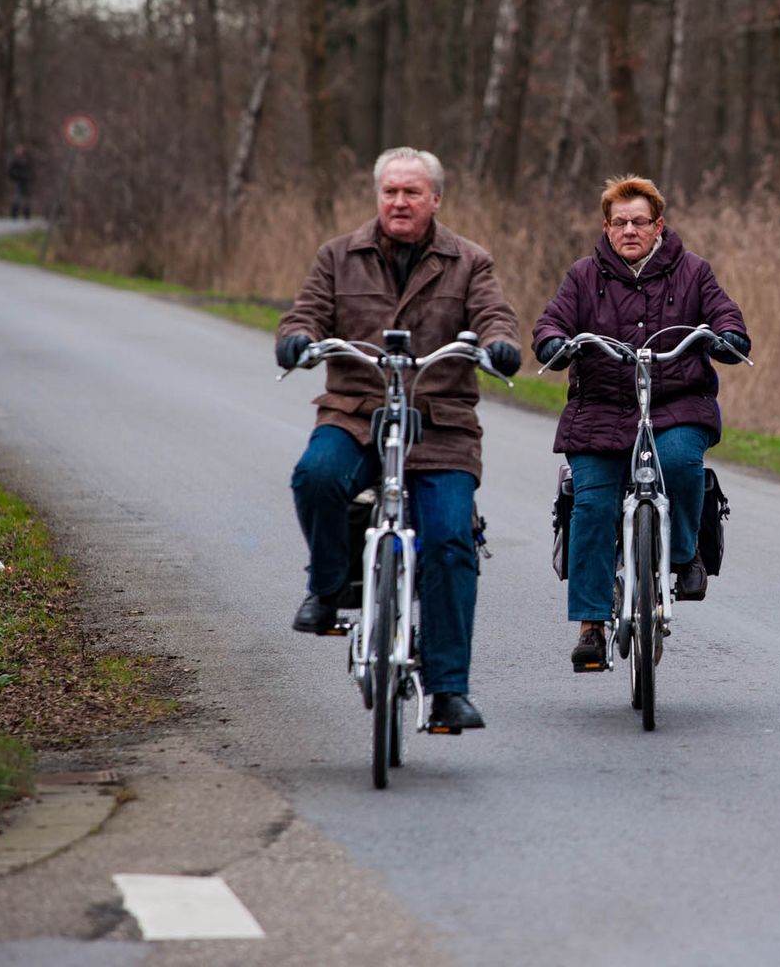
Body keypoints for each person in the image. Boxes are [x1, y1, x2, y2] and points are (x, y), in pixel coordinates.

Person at [275, 147, 521, 732]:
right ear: (377, 196)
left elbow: (496, 317)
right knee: (316, 477)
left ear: (435, 199)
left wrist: (499, 345)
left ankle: (447, 691)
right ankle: (328, 588)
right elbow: (304, 313)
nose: (399, 202)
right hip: (357, 413)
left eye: (412, 192)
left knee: (450, 542)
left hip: (441, 426)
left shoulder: (470, 261)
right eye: (390, 191)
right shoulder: (339, 255)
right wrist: (297, 338)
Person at [532, 175, 750, 670]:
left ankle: (683, 556)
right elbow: (552, 321)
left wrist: (729, 337)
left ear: (659, 226)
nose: (630, 230)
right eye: (620, 222)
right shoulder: (584, 276)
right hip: (601, 411)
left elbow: (725, 316)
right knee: (591, 503)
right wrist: (552, 342)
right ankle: (591, 624)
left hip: (677, 403)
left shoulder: (693, 272)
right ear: (607, 228)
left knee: (678, 460)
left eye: (640, 222)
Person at [8, 144, 35, 220]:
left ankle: (27, 214)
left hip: (26, 181)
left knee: (27, 199)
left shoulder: (27, 160)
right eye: (18, 150)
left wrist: (30, 177)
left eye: (20, 150)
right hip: (18, 181)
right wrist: (18, 176)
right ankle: (14, 214)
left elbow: (31, 170)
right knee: (17, 198)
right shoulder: (15, 160)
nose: (19, 151)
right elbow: (10, 172)